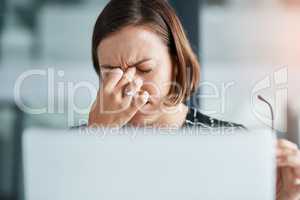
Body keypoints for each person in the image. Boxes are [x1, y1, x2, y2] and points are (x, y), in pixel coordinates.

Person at [88, 0, 300, 199]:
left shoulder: (232, 143)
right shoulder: (72, 146)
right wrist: (92, 142)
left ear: (177, 65)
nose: (129, 87)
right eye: (111, 72)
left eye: (145, 69)